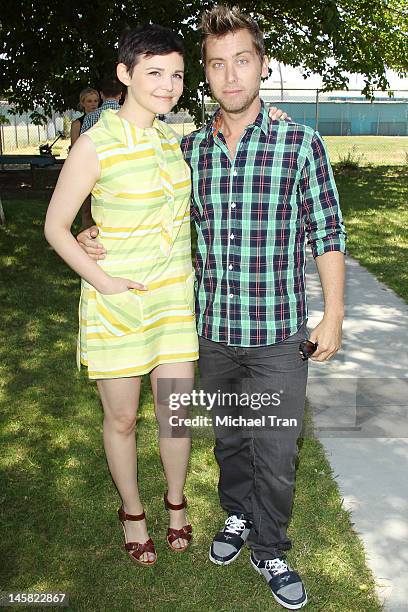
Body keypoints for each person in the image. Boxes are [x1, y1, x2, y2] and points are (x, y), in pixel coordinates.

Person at [45, 24, 201, 567]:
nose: (168, 84)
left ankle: (176, 505)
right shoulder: (96, 141)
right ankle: (133, 512)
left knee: (174, 414)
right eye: (155, 72)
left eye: (177, 74)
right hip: (116, 301)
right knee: (123, 419)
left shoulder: (172, 141)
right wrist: (102, 279)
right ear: (125, 74)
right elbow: (56, 227)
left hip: (174, 299)